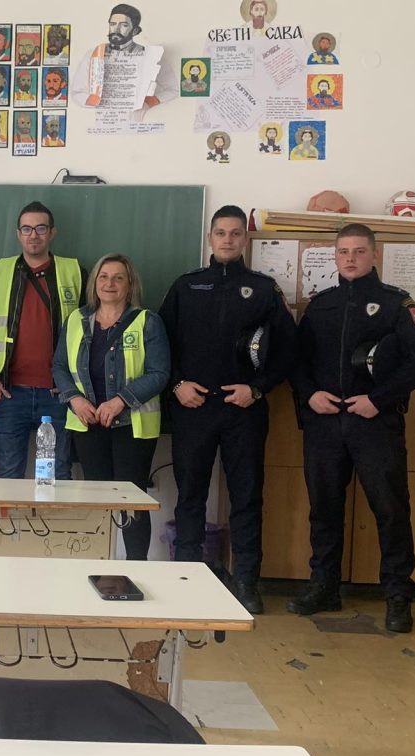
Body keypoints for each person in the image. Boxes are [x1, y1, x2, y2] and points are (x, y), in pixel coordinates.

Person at [287, 224, 415, 633]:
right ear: (335, 257)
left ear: (374, 255)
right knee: (324, 509)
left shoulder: (396, 304)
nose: (350, 258)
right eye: (343, 252)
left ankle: (398, 596)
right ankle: (324, 587)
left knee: (390, 509)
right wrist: (309, 394)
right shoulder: (320, 306)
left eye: (359, 251)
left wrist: (378, 399)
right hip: (325, 424)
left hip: (375, 424)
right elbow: (296, 361)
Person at [158, 205, 297, 614]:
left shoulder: (264, 289)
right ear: (210, 238)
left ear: (245, 240)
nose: (228, 240)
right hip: (194, 408)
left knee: (247, 497)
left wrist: (257, 389)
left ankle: (246, 582)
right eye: (221, 233)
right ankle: (186, 579)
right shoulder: (186, 286)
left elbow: (290, 351)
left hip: (244, 410)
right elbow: (158, 346)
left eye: (236, 233)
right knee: (190, 496)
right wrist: (177, 386)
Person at [53, 255, 169, 560]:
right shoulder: (76, 320)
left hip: (133, 427)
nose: (110, 283)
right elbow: (59, 366)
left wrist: (120, 401)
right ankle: (99, 565)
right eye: (103, 277)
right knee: (97, 500)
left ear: (130, 285)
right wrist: (74, 399)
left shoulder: (147, 321)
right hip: (88, 424)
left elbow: (159, 373)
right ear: (94, 283)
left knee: (132, 503)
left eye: (118, 278)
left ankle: (135, 568)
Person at [0, 201, 84, 481]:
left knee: (57, 475)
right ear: (18, 234)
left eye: (41, 228)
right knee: (8, 474)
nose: (33, 235)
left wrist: (72, 386)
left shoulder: (74, 271)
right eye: (27, 229)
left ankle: (55, 516)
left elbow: (90, 333)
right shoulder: (0, 271)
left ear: (52, 232)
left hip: (58, 394)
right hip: (9, 393)